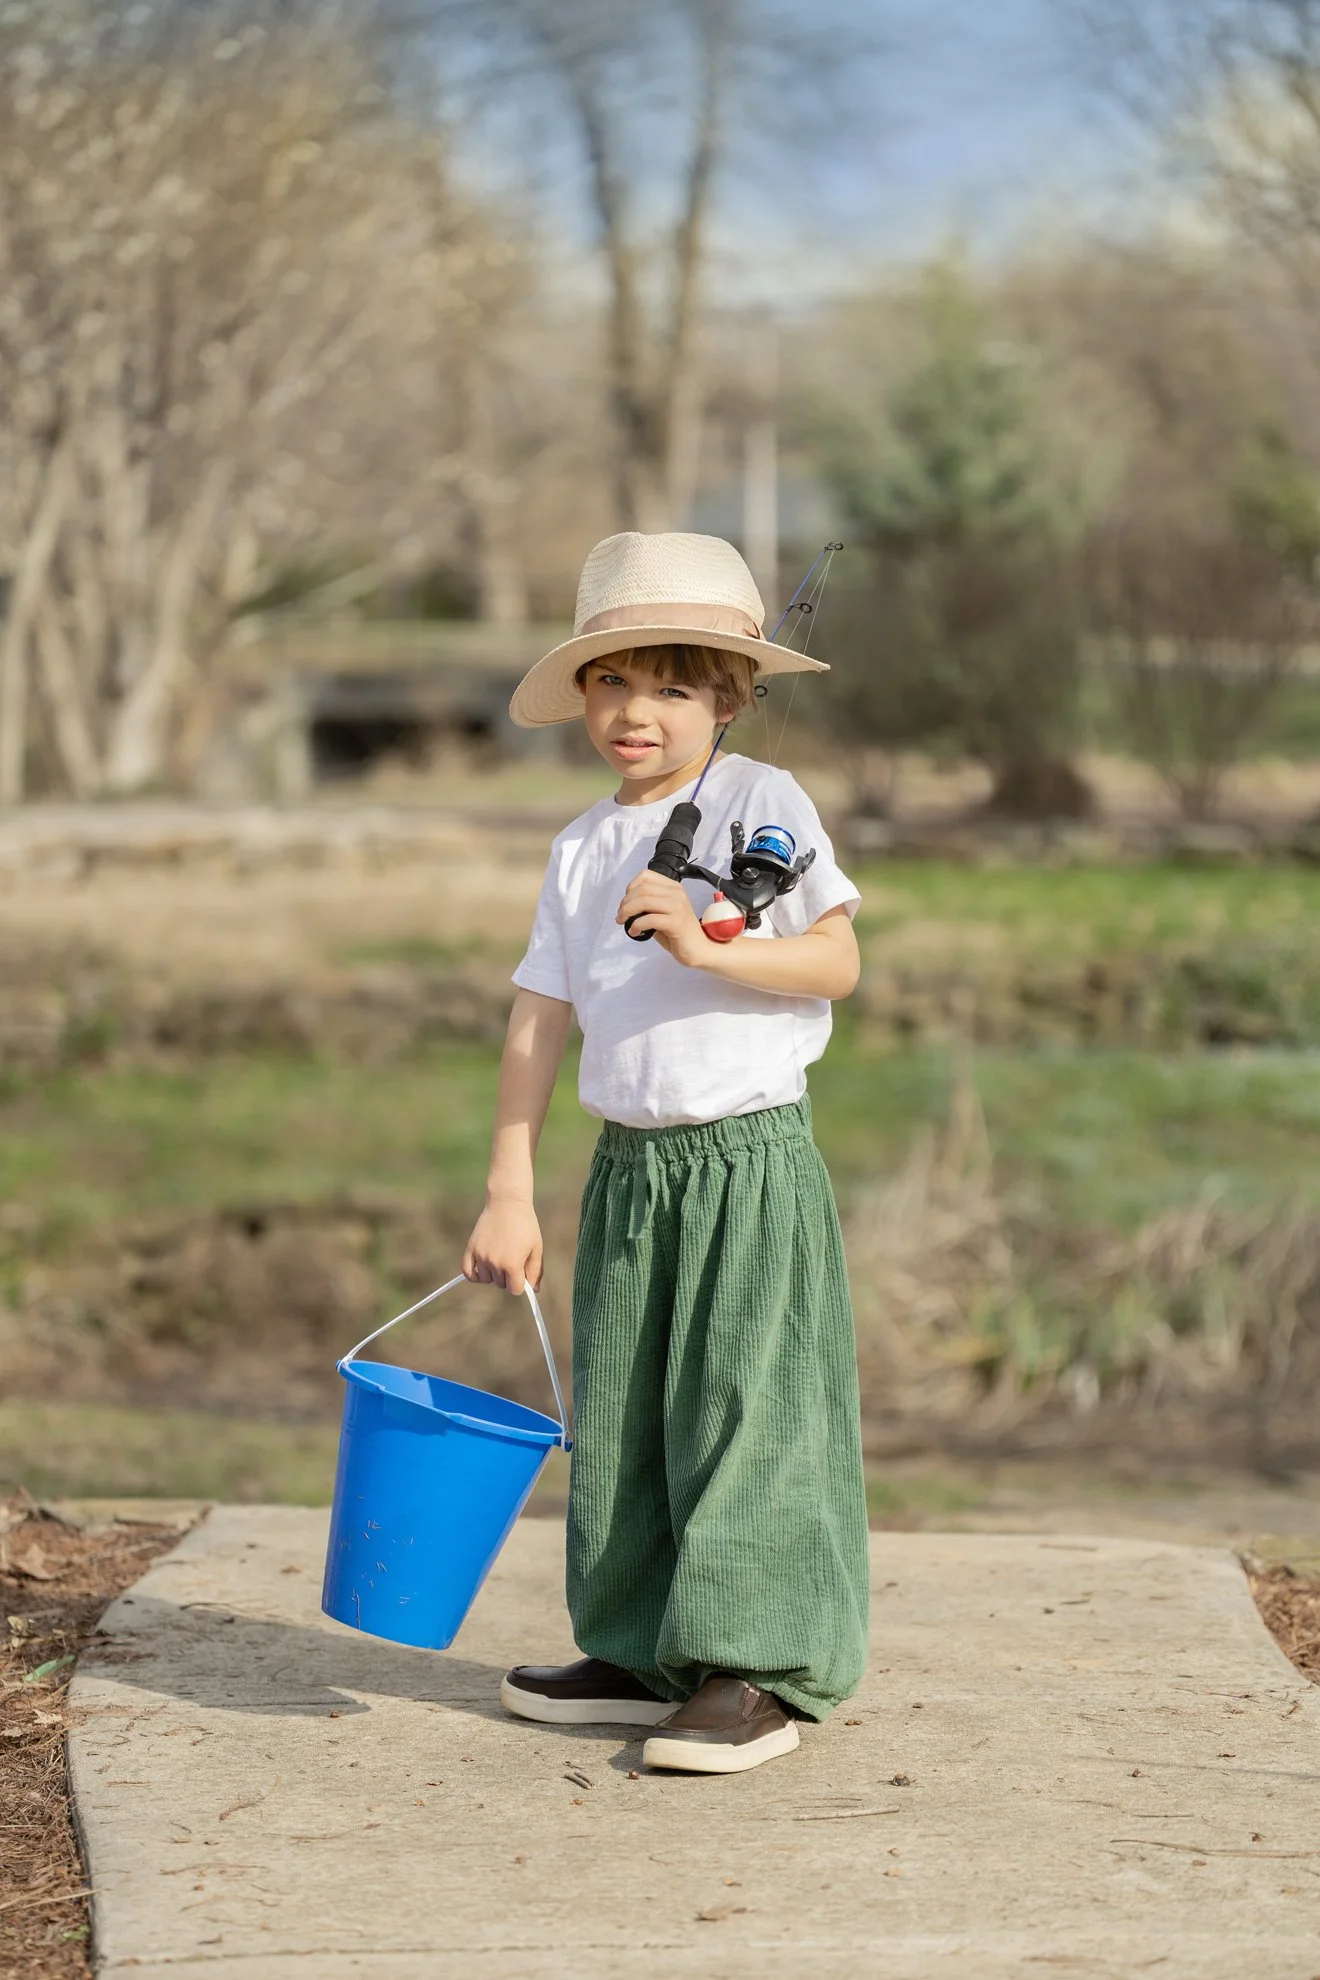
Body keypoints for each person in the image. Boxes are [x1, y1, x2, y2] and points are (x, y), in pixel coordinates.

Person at [462, 530, 869, 1776]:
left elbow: (836, 963)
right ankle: (641, 1650)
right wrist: (510, 1190)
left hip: (747, 1163)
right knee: (628, 1414)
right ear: (583, 694)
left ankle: (753, 1670)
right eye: (613, 681)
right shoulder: (582, 846)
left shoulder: (763, 804)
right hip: (631, 1172)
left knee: (746, 1406)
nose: (637, 712)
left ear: (730, 701)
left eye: (676, 687)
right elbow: (538, 1020)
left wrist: (706, 943)